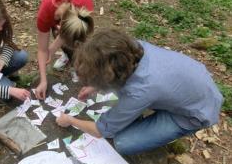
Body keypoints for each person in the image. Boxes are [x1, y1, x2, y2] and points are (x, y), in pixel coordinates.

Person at [56, 28, 223, 155]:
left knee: (122, 142)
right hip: (193, 84)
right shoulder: (132, 48)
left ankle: (168, 123)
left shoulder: (139, 92)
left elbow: (101, 131)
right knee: (129, 111)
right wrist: (96, 85)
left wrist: (70, 120)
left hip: (194, 113)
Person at [35, 0, 94, 100]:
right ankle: (68, 54)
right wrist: (43, 80)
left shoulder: (85, 12)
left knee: (78, 42)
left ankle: (71, 57)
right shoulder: (45, 13)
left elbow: (72, 32)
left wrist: (53, 47)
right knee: (57, 40)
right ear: (59, 26)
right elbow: (42, 50)